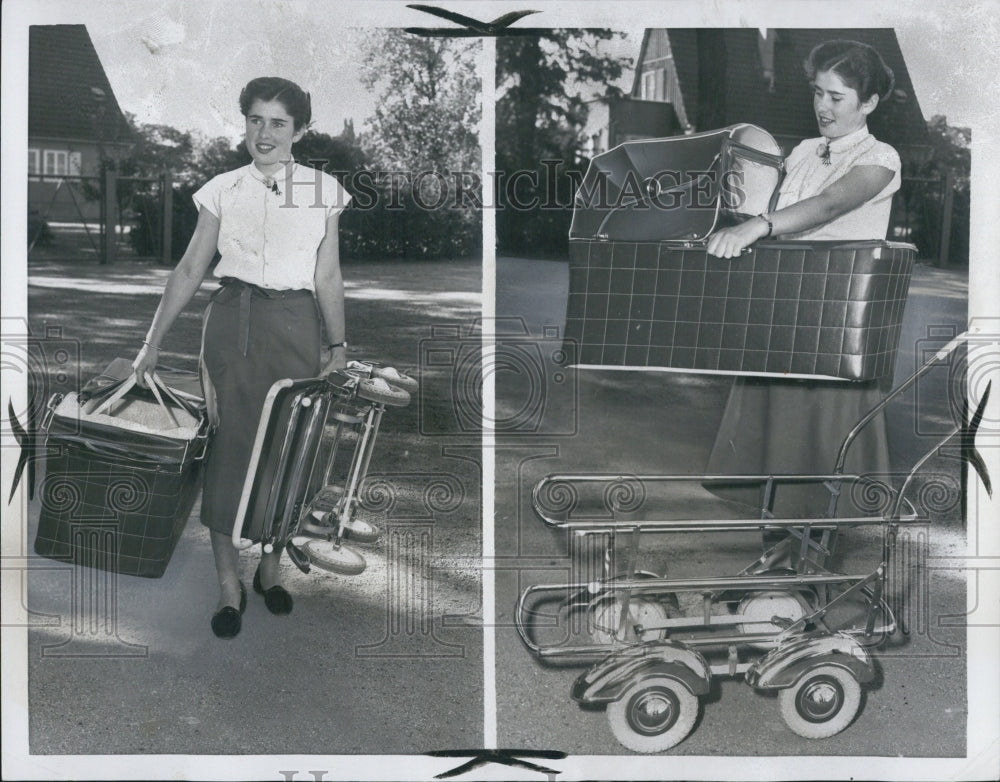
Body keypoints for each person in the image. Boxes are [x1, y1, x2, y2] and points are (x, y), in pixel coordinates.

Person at [132, 77, 352, 638]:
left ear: (300, 130)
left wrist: (337, 343)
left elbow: (327, 274)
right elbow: (187, 271)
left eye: (278, 122)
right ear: (244, 123)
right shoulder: (222, 189)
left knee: (288, 451)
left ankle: (272, 569)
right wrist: (151, 343)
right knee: (229, 451)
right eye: (255, 119)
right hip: (233, 329)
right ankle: (229, 584)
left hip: (298, 328)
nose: (264, 133)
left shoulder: (323, 190)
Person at [704, 40, 901, 521]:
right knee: (774, 447)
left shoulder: (883, 157)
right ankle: (775, 569)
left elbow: (830, 204)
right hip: (783, 312)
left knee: (816, 454)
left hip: (833, 322)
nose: (822, 106)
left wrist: (759, 226)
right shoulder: (804, 151)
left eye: (837, 97)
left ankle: (802, 575)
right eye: (818, 93)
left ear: (868, 102)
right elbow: (763, 204)